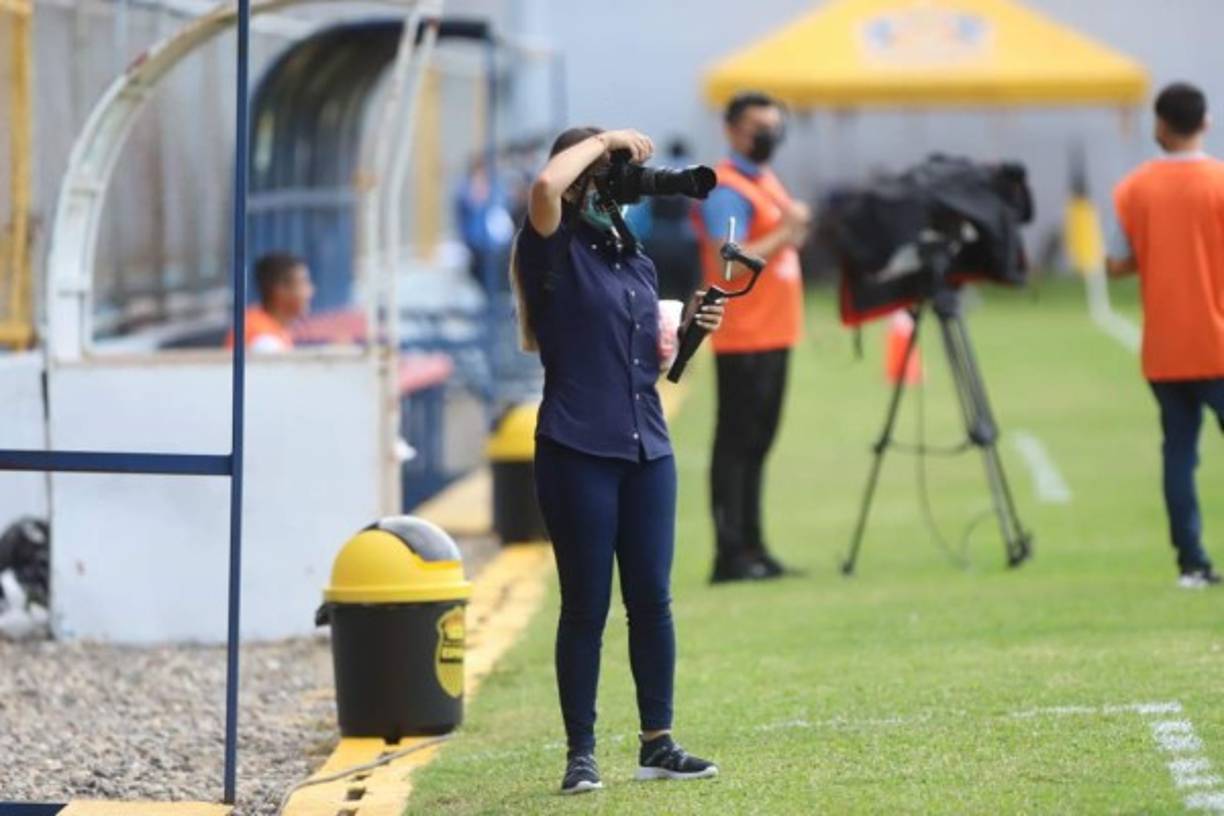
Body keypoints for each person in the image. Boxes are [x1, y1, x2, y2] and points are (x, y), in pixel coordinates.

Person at [511, 125, 724, 794]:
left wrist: (688, 337)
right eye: (610, 172)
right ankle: (581, 756)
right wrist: (602, 140)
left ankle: (657, 743)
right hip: (576, 447)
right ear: (582, 178)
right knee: (585, 607)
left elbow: (650, 369)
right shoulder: (552, 244)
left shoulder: (631, 256)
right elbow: (545, 188)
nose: (622, 184)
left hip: (645, 445)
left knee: (651, 601)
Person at [1107, 81, 1224, 589]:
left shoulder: (1134, 189)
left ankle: (1192, 563)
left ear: (1159, 124)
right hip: (1219, 344)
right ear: (1205, 124)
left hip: (1164, 350)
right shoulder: (1220, 183)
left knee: (1179, 453)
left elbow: (1114, 262)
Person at [697, 91, 809, 583]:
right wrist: (787, 231)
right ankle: (731, 552)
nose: (768, 136)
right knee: (737, 443)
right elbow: (730, 256)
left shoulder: (764, 180)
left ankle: (754, 545)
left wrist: (789, 231)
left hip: (775, 331)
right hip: (744, 333)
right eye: (757, 127)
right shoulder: (726, 187)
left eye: (773, 126)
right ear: (733, 130)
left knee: (759, 443)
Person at [625, 137, 704, 301]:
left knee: (655, 292)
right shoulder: (692, 172)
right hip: (685, 244)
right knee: (684, 295)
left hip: (655, 241)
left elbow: (639, 215)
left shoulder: (659, 170)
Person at [226, 252, 314, 351]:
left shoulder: (267, 325)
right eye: (302, 283)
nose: (310, 291)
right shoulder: (264, 340)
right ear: (280, 290)